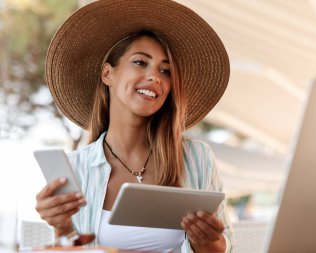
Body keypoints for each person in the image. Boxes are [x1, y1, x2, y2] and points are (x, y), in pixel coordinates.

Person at [35, 0, 232, 252]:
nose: (155, 77)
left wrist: (208, 241)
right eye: (140, 62)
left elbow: (225, 248)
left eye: (165, 71)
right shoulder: (75, 169)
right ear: (108, 74)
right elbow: (71, 249)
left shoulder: (196, 158)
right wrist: (62, 228)